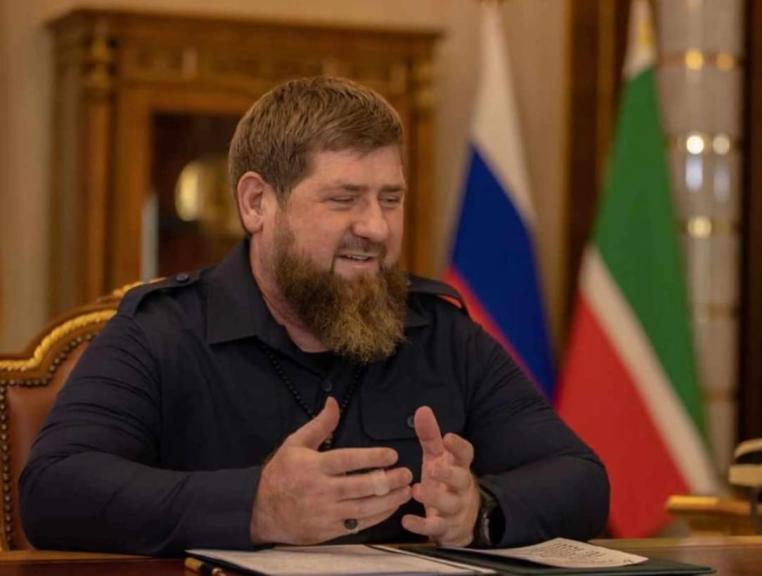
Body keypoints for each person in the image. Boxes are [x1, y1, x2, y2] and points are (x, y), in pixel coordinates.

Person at [20, 76, 609, 555]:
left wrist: (477, 509)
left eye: (391, 199)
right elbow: (52, 491)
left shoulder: (441, 332)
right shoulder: (161, 331)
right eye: (343, 198)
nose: (376, 227)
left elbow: (580, 478)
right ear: (257, 203)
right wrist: (256, 506)